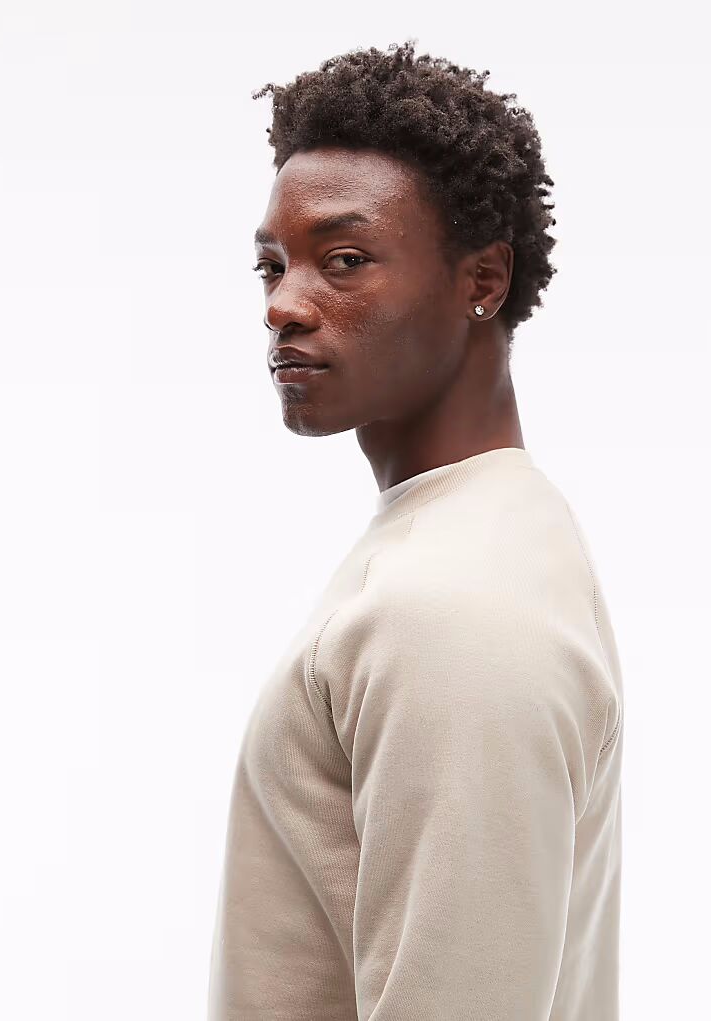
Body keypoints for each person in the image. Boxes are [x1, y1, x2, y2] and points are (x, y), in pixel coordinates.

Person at [207, 38, 624, 1021]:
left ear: (483, 279)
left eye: (343, 260)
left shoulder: (450, 607)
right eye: (272, 265)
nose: (282, 305)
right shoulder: (487, 535)